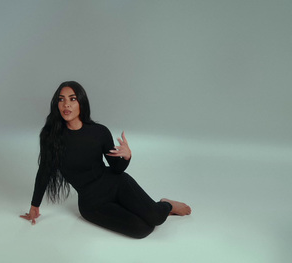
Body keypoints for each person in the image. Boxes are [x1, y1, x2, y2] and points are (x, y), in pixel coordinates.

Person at [20, 81, 191, 239]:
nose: (66, 104)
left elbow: (116, 168)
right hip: (91, 203)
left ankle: (166, 205)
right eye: (61, 99)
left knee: (155, 218)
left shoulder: (99, 132)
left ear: (81, 102)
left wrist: (126, 157)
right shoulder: (51, 138)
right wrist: (35, 205)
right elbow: (44, 171)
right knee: (142, 230)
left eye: (72, 99)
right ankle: (144, 208)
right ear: (56, 104)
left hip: (115, 183)